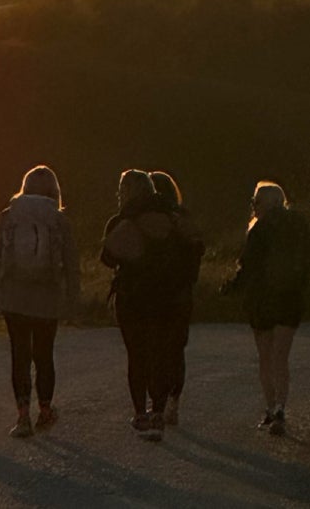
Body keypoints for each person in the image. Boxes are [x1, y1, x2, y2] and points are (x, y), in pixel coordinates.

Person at [0, 164, 80, 439]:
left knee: (20, 354)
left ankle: (23, 415)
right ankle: (45, 409)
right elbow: (71, 262)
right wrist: (72, 297)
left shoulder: (9, 215)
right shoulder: (59, 220)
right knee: (44, 354)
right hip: (47, 297)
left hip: (14, 296)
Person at [101, 169, 188, 441]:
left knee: (137, 356)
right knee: (159, 352)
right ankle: (159, 412)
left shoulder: (121, 221)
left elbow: (107, 258)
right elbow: (192, 250)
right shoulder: (172, 218)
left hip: (132, 296)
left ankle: (140, 412)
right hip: (166, 296)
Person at [222, 180, 310, 437]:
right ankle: (281, 406)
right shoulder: (299, 226)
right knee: (281, 357)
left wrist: (231, 287)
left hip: (262, 300)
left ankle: (271, 408)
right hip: (290, 298)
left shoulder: (259, 229)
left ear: (268, 203)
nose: (254, 206)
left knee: (266, 358)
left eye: (256, 202)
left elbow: (248, 265)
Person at [149, 170, 204, 426]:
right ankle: (173, 401)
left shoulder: (149, 221)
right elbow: (197, 251)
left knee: (155, 349)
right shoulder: (184, 219)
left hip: (154, 293)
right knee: (175, 349)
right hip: (181, 293)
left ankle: (157, 403)